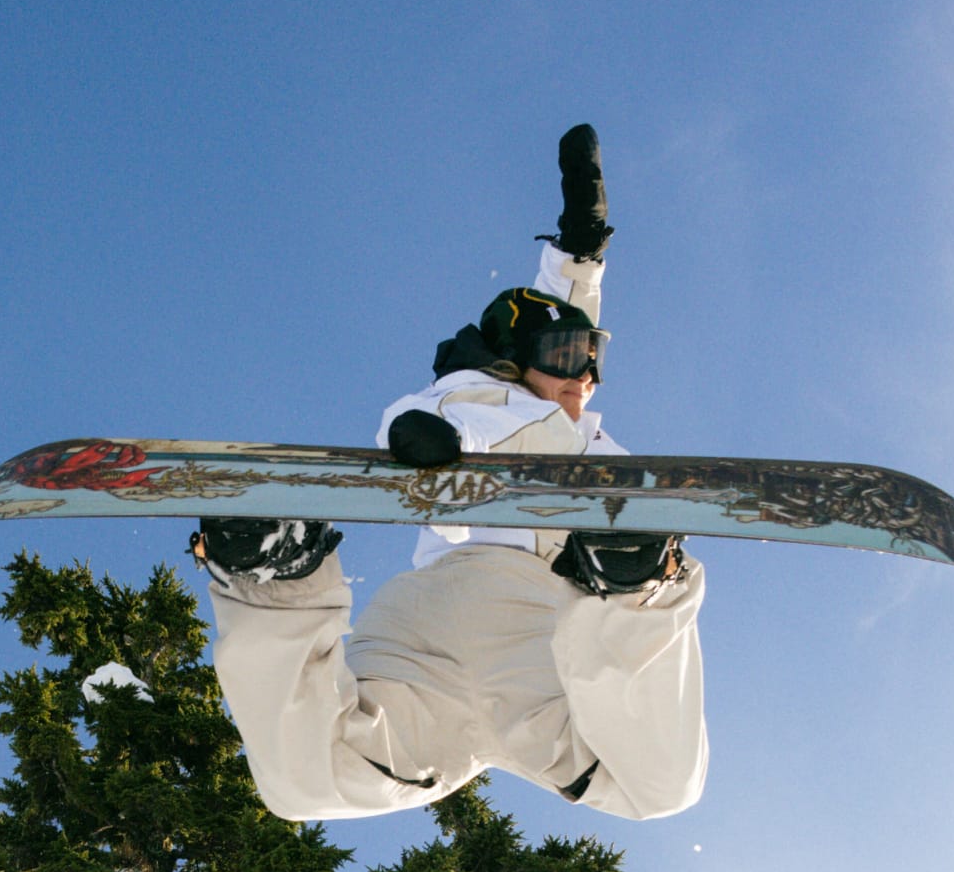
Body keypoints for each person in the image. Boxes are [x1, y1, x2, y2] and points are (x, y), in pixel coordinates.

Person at [189, 126, 707, 826]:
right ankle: (636, 589)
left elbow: (560, 324)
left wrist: (581, 252)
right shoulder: (481, 394)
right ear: (511, 356)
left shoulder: (566, 411)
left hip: (509, 658)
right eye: (562, 358)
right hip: (491, 620)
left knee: (303, 784)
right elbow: (428, 420)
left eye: (592, 361)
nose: (581, 378)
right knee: (655, 786)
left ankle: (276, 578)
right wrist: (425, 440)